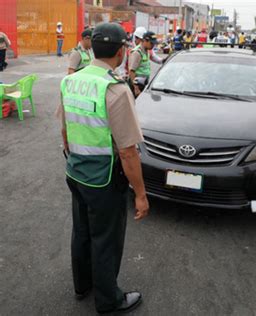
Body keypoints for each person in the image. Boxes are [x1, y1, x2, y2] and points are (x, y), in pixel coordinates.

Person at [58, 22, 149, 314]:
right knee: (105, 240)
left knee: (82, 232)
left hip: (76, 172)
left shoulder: (70, 81)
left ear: (93, 46)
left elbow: (65, 131)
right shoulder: (115, 88)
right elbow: (127, 151)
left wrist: (74, 157)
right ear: (122, 51)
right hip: (104, 179)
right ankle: (109, 300)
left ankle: (82, 285)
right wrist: (141, 194)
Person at [128, 31, 158, 97]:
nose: (153, 45)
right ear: (145, 41)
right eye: (151, 43)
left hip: (143, 83)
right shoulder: (137, 53)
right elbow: (131, 71)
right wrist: (136, 88)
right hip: (136, 85)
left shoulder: (146, 50)